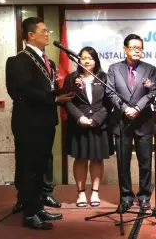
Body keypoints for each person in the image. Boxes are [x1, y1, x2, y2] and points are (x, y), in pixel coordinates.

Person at [5, 17, 74, 230]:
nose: (48, 34)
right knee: (29, 168)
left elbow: (47, 88)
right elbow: (21, 92)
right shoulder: (18, 60)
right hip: (28, 124)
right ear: (30, 35)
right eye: (44, 31)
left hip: (45, 122)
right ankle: (29, 213)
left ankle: (38, 206)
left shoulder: (48, 61)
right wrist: (53, 99)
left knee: (42, 167)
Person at [107, 34, 156, 210]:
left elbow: (152, 92)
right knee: (123, 162)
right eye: (134, 47)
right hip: (122, 122)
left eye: (140, 48)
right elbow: (111, 93)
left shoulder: (149, 69)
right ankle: (126, 197)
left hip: (143, 121)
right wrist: (124, 108)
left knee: (145, 162)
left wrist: (137, 108)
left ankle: (144, 196)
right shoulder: (114, 69)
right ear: (125, 49)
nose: (137, 50)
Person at [63, 46, 111, 207]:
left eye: (90, 57)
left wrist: (97, 119)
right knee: (81, 159)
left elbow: (108, 103)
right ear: (79, 60)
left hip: (99, 125)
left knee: (97, 159)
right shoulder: (71, 78)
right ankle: (81, 193)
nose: (87, 60)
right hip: (79, 125)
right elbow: (66, 101)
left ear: (96, 60)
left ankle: (95, 193)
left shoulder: (104, 77)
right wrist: (80, 117)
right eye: (83, 57)